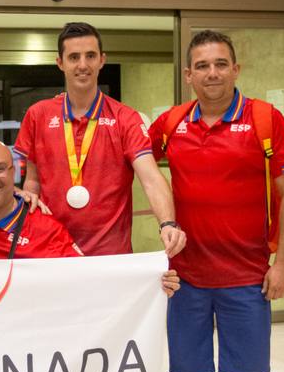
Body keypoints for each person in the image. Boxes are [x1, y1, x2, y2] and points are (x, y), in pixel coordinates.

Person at [148, 30, 284, 372]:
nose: (212, 73)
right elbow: (139, 169)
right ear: (188, 74)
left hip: (247, 275)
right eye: (202, 65)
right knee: (190, 370)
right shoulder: (171, 123)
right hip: (188, 276)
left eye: (221, 64)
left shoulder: (264, 119)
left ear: (236, 69)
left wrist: (283, 263)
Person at [15, 21, 187, 261]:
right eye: (74, 57)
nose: (83, 65)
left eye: (90, 56)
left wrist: (168, 223)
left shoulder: (125, 118)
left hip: (110, 258)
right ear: (60, 63)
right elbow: (32, 183)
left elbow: (150, 178)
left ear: (102, 60)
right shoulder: (38, 115)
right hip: (51, 253)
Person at [0, 137, 180, 295]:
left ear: (14, 173)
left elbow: (91, 282)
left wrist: (148, 283)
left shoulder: (45, 229)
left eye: (0, 169)